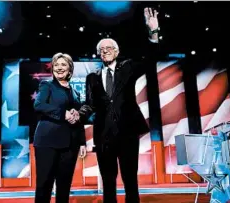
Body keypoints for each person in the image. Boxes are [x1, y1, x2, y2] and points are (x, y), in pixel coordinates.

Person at [79, 8, 160, 203]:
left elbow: (150, 59)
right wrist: (77, 114)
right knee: (108, 182)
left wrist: (153, 33)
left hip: (128, 133)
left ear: (117, 52)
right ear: (98, 54)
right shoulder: (92, 78)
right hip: (104, 135)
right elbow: (89, 105)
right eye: (102, 49)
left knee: (130, 180)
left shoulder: (128, 68)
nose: (105, 51)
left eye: (109, 48)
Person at [33, 53, 87, 203]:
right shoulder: (47, 85)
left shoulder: (75, 92)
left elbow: (78, 119)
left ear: (70, 68)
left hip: (70, 145)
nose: (59, 68)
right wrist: (63, 114)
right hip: (48, 142)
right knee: (44, 185)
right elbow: (39, 105)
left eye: (63, 65)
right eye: (56, 65)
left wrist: (82, 142)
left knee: (64, 186)